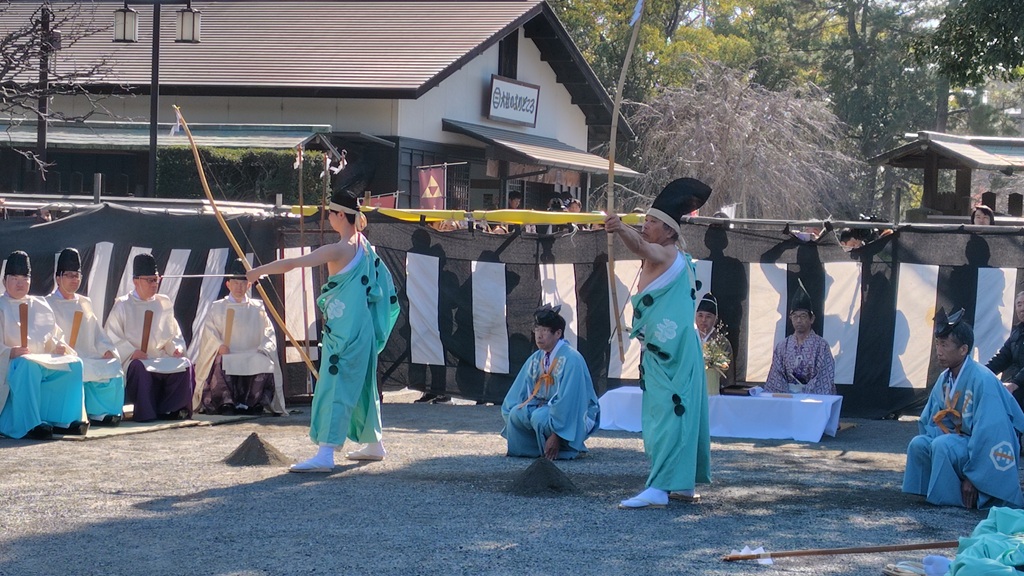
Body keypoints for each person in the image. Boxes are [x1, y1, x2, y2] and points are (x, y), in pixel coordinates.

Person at [246, 189, 398, 472]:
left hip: (345, 331)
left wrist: (259, 271)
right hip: (362, 326)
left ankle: (326, 452)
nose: (328, 217)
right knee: (364, 383)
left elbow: (294, 263)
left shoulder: (340, 248)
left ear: (341, 215)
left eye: (330, 212)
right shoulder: (366, 247)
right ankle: (374, 443)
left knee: (334, 385)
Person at [604, 177, 713, 509]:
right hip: (672, 351)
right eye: (645, 221)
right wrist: (622, 229)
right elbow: (640, 245)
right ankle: (680, 484)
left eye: (652, 222)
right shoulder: (669, 256)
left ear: (669, 232)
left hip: (673, 353)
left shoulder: (665, 254)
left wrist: (620, 229)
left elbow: (640, 246)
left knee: (669, 414)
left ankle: (660, 487)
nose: (646, 225)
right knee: (674, 413)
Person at [903, 308, 1024, 508]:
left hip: (986, 447)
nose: (939, 351)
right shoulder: (945, 378)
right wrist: (940, 435)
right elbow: (929, 419)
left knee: (942, 445)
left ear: (963, 349)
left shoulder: (983, 380)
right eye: (937, 345)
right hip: (961, 440)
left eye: (945, 345)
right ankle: (932, 488)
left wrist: (974, 476)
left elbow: (992, 433)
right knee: (919, 443)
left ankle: (957, 497)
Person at [0, 251, 86, 439]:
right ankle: (29, 423)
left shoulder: (39, 304)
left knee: (74, 363)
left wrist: (58, 346)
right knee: (27, 365)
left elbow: (52, 335)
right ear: (5, 280)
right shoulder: (1, 305)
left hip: (40, 359)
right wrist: (10, 351)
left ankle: (65, 420)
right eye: (14, 278)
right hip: (12, 364)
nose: (20, 283)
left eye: (24, 278)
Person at [501, 304, 600, 460]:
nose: (539, 335)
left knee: (540, 417)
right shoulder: (536, 358)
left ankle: (562, 445)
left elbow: (571, 400)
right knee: (515, 413)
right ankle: (533, 449)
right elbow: (518, 392)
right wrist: (516, 407)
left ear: (558, 333)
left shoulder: (571, 359)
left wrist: (557, 433)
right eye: (537, 330)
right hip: (545, 406)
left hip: (577, 411)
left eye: (545, 331)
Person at [105, 253, 195, 422]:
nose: (154, 284)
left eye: (156, 279)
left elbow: (172, 334)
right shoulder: (123, 305)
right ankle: (147, 413)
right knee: (140, 367)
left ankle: (172, 409)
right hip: (134, 360)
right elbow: (112, 337)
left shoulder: (163, 303)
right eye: (150, 280)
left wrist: (175, 348)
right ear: (136, 281)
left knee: (184, 364)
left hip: (158, 357)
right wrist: (132, 352)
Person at [191, 258, 284, 416]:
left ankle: (255, 402)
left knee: (264, 361)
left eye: (243, 283)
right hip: (228, 352)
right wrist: (218, 345)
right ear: (228, 284)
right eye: (235, 283)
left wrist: (263, 348)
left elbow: (269, 330)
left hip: (251, 351)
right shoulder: (218, 307)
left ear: (249, 285)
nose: (239, 287)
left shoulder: (257, 307)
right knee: (220, 360)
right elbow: (210, 332)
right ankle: (225, 402)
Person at [47, 248, 124, 427]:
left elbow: (97, 332)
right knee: (76, 367)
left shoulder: (84, 302)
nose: (74, 279)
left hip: (86, 354)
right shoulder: (47, 303)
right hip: (63, 355)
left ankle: (102, 412)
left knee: (112, 364)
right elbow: (47, 333)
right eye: (69, 275)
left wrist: (106, 349)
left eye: (77, 275)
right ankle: (75, 414)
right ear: (58, 278)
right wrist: (60, 348)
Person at [763, 280, 836, 395]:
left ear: (812, 319)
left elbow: (824, 376)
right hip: (787, 398)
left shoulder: (821, 346)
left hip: (813, 399)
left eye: (803, 316)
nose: (798, 320)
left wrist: (804, 394)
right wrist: (788, 395)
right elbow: (776, 375)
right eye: (795, 316)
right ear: (790, 318)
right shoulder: (782, 346)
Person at [985, 291, 1024, 412]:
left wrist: (1015, 383)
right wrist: (981, 373)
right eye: (1019, 304)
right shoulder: (1017, 332)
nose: (1022, 309)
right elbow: (1002, 358)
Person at [695, 292, 734, 389]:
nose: (703, 320)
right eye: (700, 315)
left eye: (708, 316)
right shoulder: (688, 338)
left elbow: (726, 372)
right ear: (695, 317)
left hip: (712, 388)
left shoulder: (722, 342)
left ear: (715, 320)